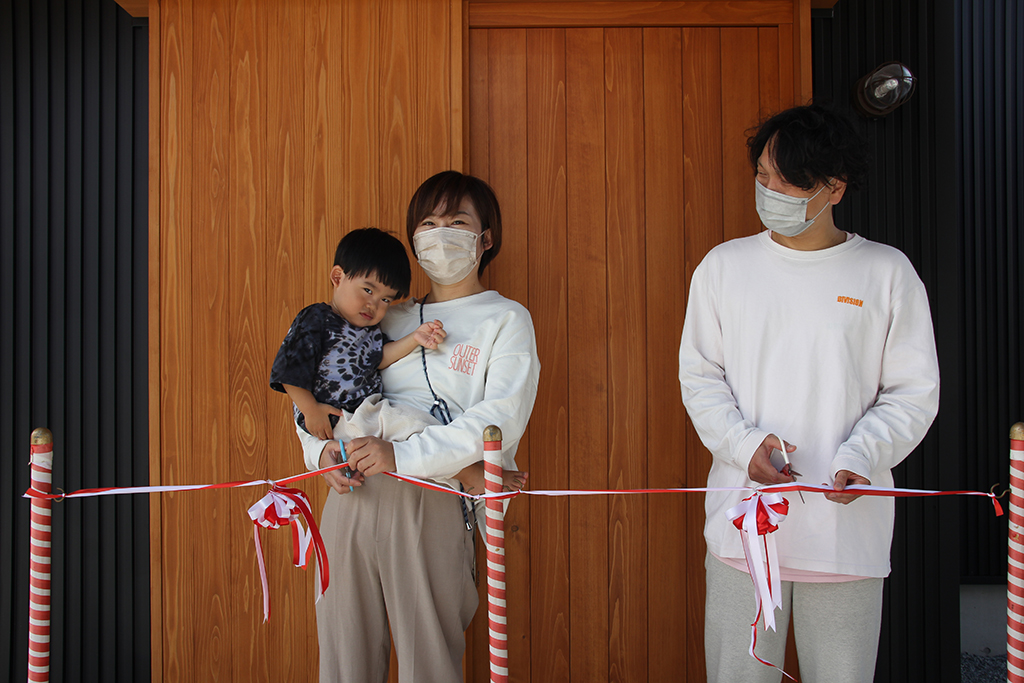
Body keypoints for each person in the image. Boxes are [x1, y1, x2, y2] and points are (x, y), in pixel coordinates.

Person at [678, 104, 939, 683]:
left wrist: (860, 457)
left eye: (788, 180)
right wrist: (745, 446)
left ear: (835, 187)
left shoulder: (886, 273)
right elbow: (700, 379)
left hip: (846, 533)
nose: (770, 191)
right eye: (763, 176)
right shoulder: (723, 268)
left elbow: (912, 392)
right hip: (741, 528)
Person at [296, 171, 540, 683]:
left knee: (428, 659)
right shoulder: (383, 313)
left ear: (485, 238)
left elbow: (499, 418)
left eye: (457, 222)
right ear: (413, 241)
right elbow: (320, 384)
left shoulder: (506, 318)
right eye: (428, 223)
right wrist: (318, 455)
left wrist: (402, 456)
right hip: (351, 492)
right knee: (343, 657)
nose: (441, 233)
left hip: (433, 495)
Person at [269, 227, 522, 496]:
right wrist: (310, 410)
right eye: (367, 290)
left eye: (385, 299)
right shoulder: (316, 319)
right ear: (337, 277)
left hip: (365, 413)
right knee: (410, 423)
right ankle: (470, 473)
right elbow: (289, 370)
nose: (373, 305)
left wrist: (415, 338)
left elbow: (380, 358)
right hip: (337, 416)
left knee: (413, 425)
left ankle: (465, 472)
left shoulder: (367, 330)